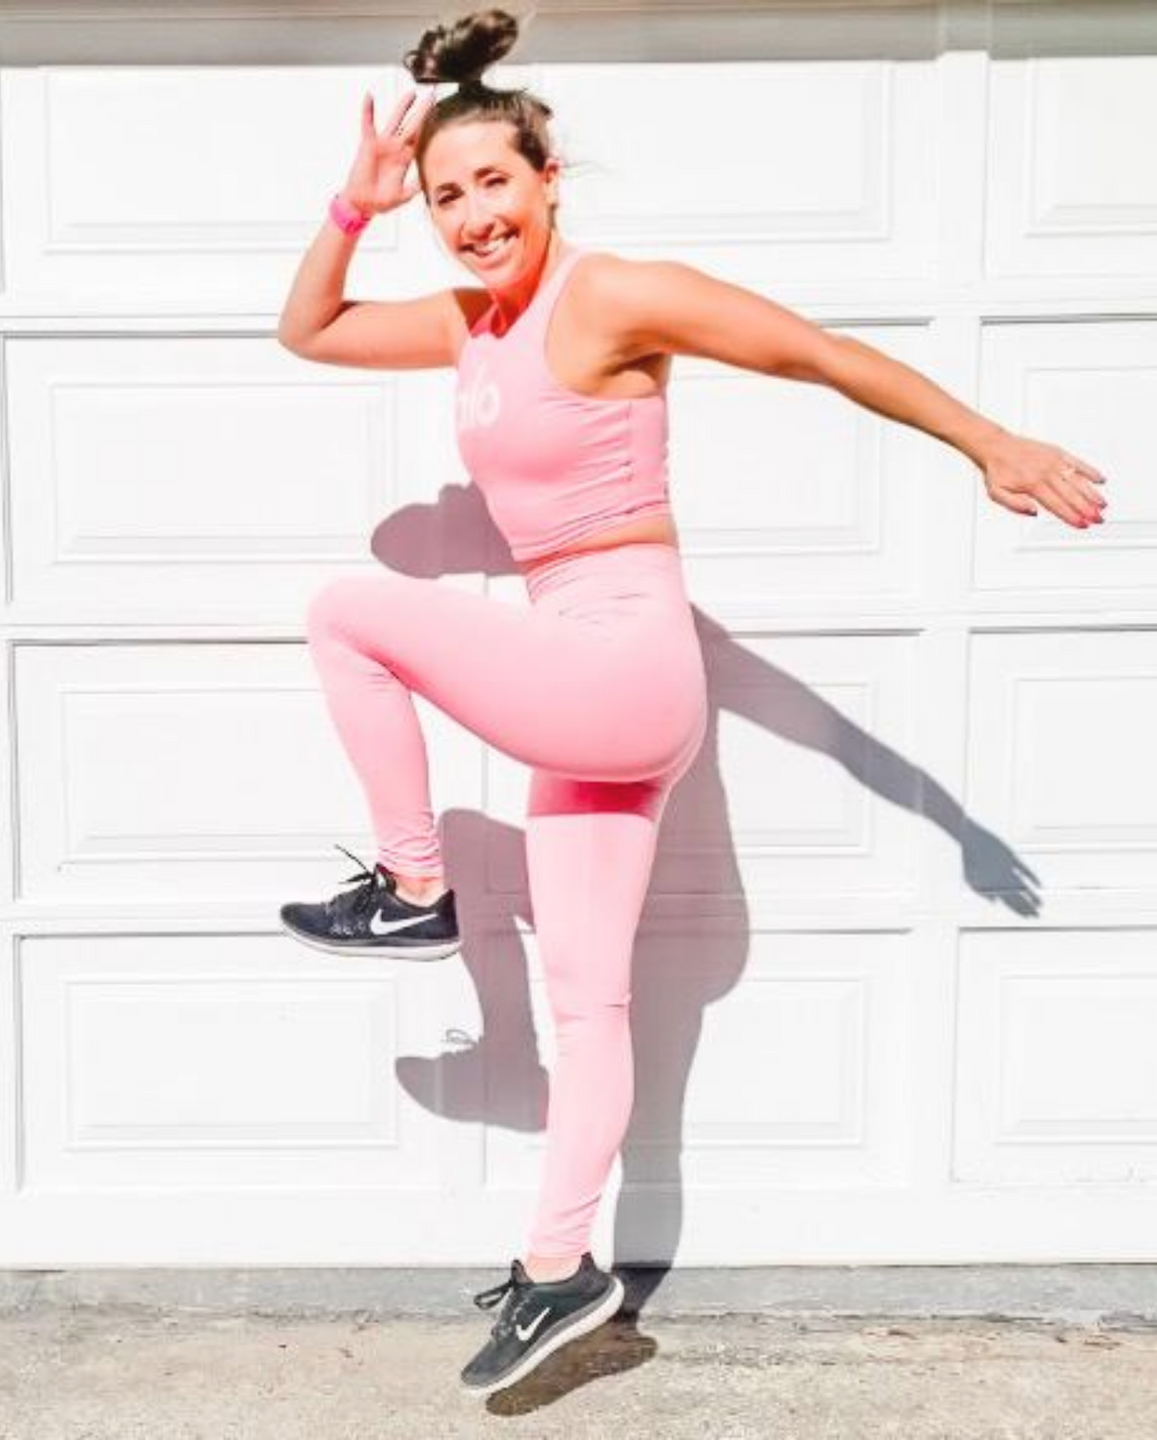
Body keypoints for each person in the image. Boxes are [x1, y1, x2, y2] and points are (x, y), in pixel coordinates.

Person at [274, 7, 1109, 1398]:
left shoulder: (611, 296)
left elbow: (814, 352)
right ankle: (561, 1271)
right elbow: (307, 328)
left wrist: (988, 441)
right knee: (588, 1002)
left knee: (345, 612)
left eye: (493, 183)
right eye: (446, 196)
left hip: (625, 665)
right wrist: (352, 208)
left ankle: (417, 886)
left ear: (548, 178)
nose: (473, 217)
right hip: (589, 695)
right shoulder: (470, 325)